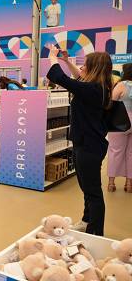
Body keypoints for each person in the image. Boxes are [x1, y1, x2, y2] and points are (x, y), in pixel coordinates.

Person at [46, 46, 112, 236]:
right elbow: (78, 80)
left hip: (89, 146)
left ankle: (96, 231)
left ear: (94, 68)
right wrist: (66, 61)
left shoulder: (93, 89)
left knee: (93, 192)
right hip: (86, 142)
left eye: (85, 66)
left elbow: (61, 78)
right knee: (87, 186)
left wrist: (53, 58)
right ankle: (86, 220)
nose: (81, 68)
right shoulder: (96, 87)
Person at [107, 63, 132, 193]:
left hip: (121, 121)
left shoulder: (122, 85)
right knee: (131, 153)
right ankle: (129, 184)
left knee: (115, 151)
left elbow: (112, 101)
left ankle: (111, 183)